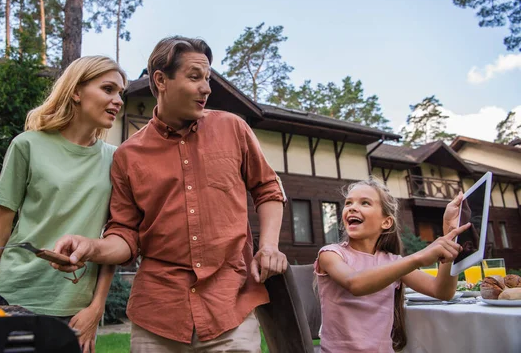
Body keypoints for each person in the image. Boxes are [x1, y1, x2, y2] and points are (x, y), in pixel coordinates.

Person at [52, 36, 288, 352]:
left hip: (230, 309)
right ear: (161, 80)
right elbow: (124, 234)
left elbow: (267, 188)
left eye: (207, 78)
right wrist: (90, 246)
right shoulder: (128, 155)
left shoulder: (234, 128)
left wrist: (270, 246)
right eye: (195, 77)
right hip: (157, 319)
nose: (206, 88)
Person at [0, 56, 127, 353]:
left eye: (121, 93)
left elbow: (113, 237)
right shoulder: (27, 145)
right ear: (76, 92)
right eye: (108, 89)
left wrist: (97, 307)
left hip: (73, 307)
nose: (117, 100)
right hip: (11, 296)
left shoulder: (116, 159)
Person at [315, 178, 470, 353]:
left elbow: (442, 291)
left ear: (386, 222)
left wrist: (449, 232)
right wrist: (418, 258)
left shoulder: (393, 262)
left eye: (365, 203)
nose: (352, 207)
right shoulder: (330, 254)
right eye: (348, 203)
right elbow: (355, 283)